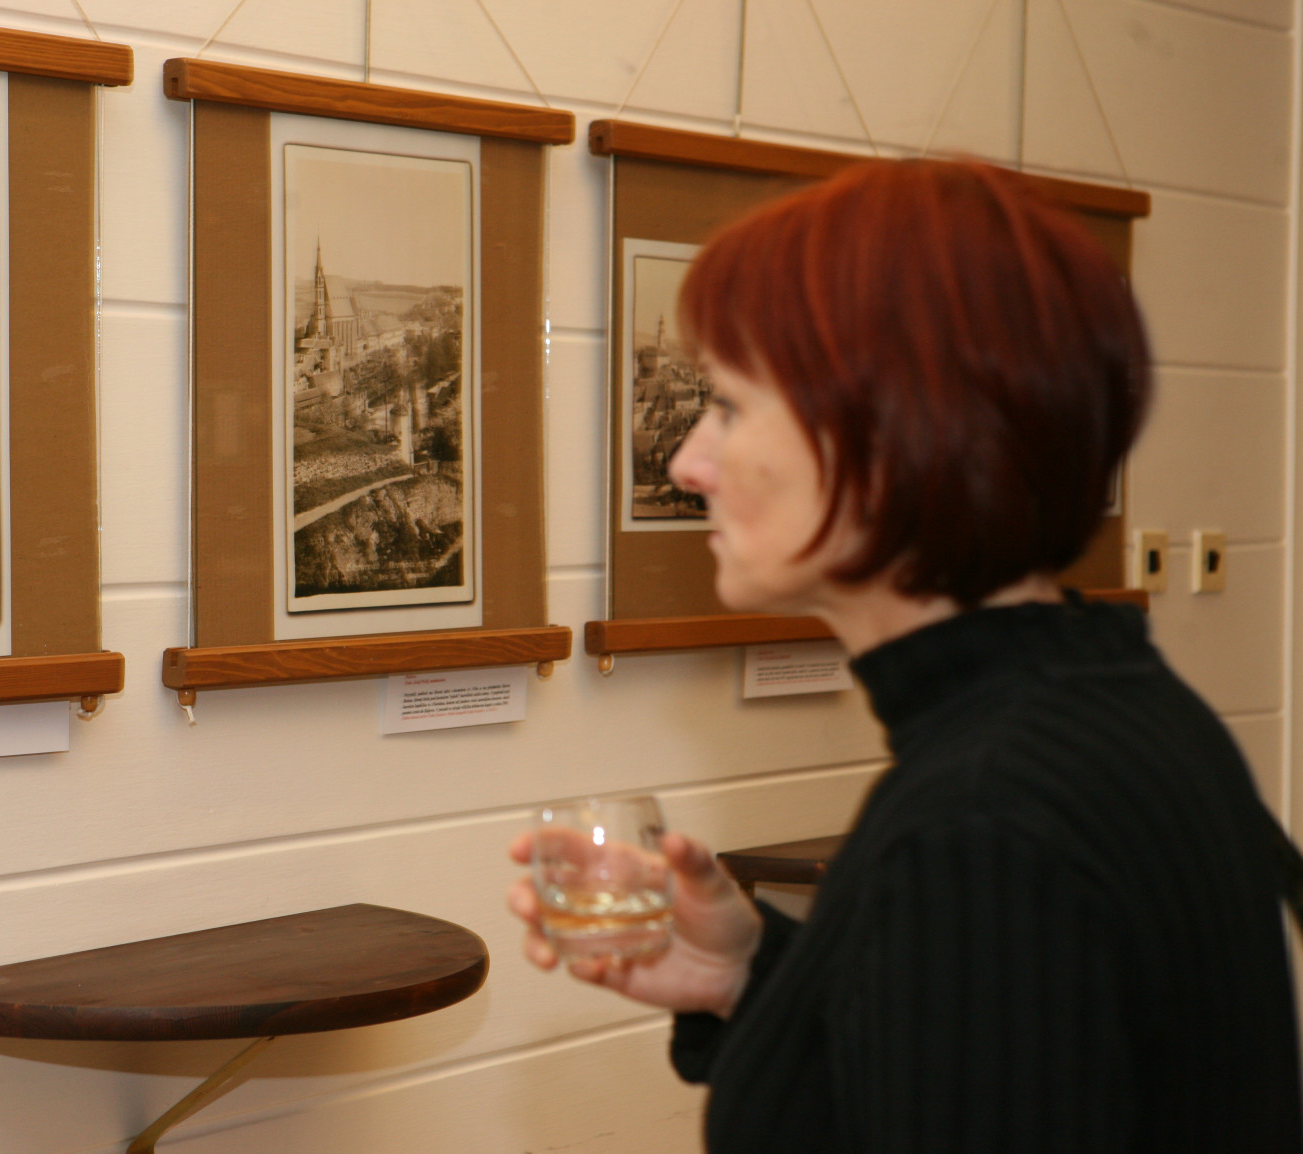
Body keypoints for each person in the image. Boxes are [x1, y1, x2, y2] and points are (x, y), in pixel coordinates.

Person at [508, 158, 1302, 1152]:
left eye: (730, 406)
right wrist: (749, 973)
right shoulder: (1117, 707)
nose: (687, 462)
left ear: (891, 436)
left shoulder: (981, 822)